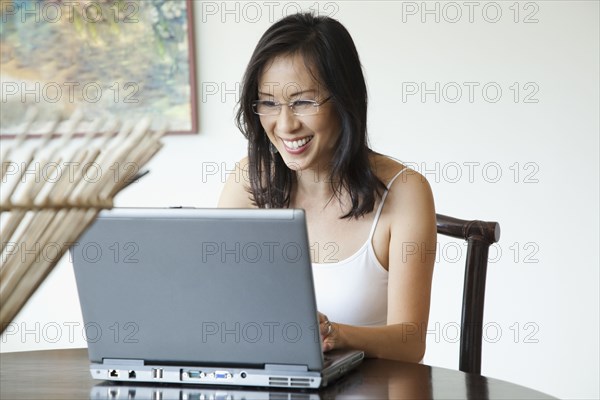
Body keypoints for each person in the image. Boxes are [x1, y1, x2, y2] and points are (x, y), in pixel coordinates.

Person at [218, 12, 436, 363]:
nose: (285, 124)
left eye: (303, 101)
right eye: (269, 103)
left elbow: (410, 344)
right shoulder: (249, 181)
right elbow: (216, 303)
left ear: (344, 100)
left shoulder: (406, 191)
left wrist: (332, 333)